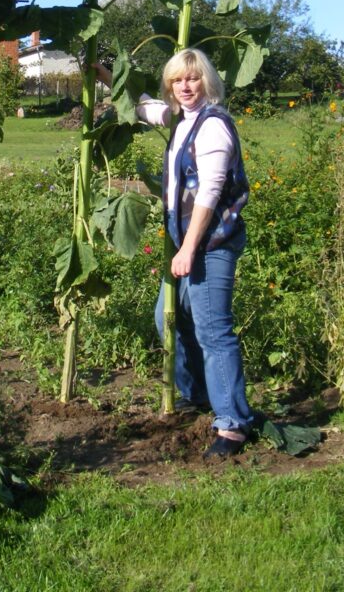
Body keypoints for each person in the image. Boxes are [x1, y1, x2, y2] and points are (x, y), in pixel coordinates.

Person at [94, 48, 253, 457]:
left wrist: (188, 248)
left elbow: (210, 193)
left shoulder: (213, 126)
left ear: (207, 82)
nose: (185, 86)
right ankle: (198, 393)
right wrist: (101, 71)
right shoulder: (181, 119)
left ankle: (232, 425)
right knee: (169, 320)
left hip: (210, 242)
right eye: (177, 80)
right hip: (191, 243)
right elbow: (142, 107)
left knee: (213, 329)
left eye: (193, 79)